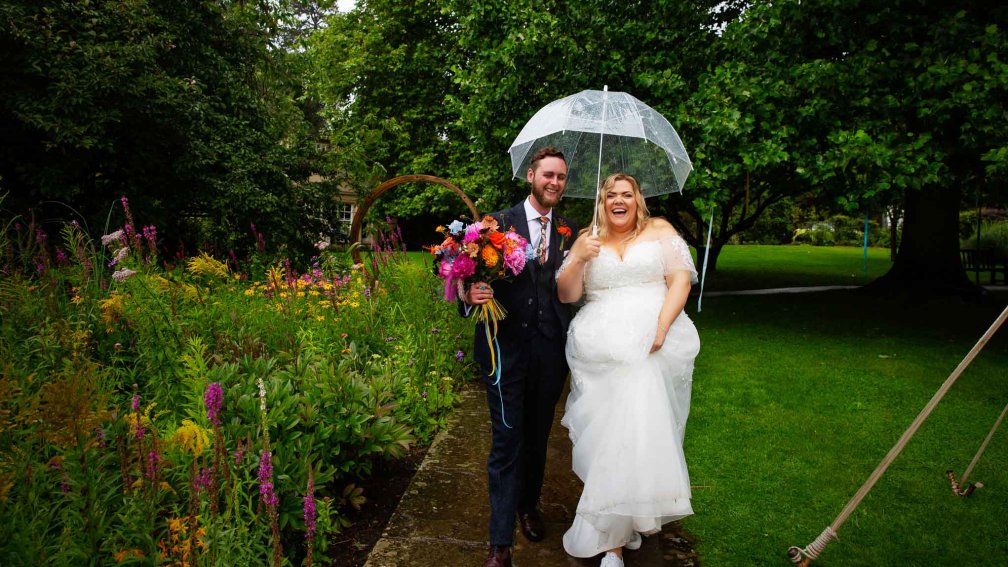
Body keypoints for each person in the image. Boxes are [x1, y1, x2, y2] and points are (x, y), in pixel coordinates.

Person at [555, 173, 699, 567]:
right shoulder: (588, 237)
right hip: (599, 348)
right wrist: (579, 257)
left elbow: (681, 281)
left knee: (634, 432)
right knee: (608, 439)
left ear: (638, 199)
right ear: (601, 201)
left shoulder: (660, 229)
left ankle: (613, 541)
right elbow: (568, 294)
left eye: (627, 194)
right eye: (611, 195)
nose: (620, 201)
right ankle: (622, 526)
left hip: (652, 342)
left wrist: (660, 328)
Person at [461, 146, 579, 567]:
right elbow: (465, 279)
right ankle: (500, 543)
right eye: (548, 174)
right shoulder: (496, 225)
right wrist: (469, 295)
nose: (554, 182)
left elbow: (573, 292)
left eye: (562, 177)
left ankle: (528, 505)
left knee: (536, 438)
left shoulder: (571, 231)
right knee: (507, 441)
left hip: (550, 355)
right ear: (531, 175)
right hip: (503, 352)